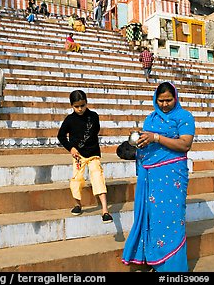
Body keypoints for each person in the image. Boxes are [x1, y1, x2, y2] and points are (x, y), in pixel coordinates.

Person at [122, 82, 195, 272]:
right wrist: (136, 144)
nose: (164, 104)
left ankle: (173, 267)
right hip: (150, 175)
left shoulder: (184, 117)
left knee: (172, 218)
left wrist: (156, 138)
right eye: (160, 100)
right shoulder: (151, 118)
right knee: (153, 218)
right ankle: (155, 261)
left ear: (175, 98)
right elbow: (147, 145)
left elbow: (185, 145)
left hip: (173, 177)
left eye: (168, 100)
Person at [57, 90, 113, 223]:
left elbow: (96, 130)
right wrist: (71, 147)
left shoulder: (93, 116)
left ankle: (105, 210)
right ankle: (77, 204)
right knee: (76, 179)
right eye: (77, 106)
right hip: (78, 156)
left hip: (93, 154)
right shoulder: (69, 120)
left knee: (97, 177)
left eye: (82, 105)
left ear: (86, 103)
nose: (80, 109)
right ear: (72, 106)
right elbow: (61, 135)